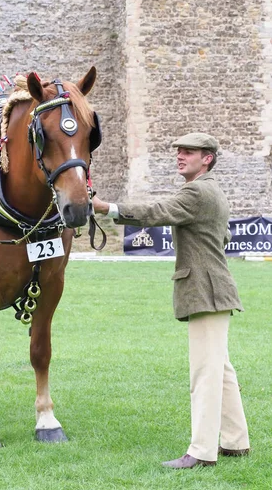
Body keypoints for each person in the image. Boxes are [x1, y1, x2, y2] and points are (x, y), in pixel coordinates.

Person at [92, 132, 250, 468]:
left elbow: (156, 212)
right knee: (220, 370)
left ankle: (201, 453)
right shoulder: (214, 190)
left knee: (205, 374)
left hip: (205, 292)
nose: (180, 156)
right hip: (216, 289)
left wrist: (107, 208)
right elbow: (224, 235)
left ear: (207, 158)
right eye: (179, 151)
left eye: (189, 152)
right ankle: (236, 442)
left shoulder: (197, 191)